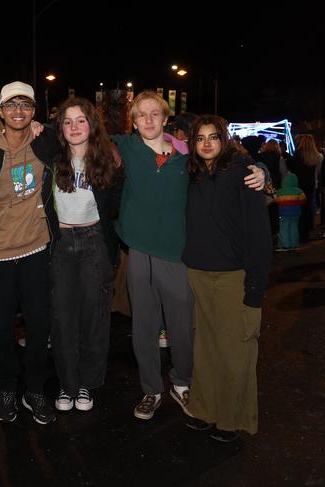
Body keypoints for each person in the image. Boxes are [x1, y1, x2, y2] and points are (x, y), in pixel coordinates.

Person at [111, 91, 265, 421]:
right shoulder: (125, 147)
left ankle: (182, 382)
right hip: (138, 253)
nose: (149, 120)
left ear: (166, 118)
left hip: (177, 255)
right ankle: (150, 389)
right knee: (144, 327)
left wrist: (261, 169)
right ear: (133, 120)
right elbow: (79, 138)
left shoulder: (186, 157)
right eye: (141, 115)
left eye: (155, 113)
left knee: (182, 328)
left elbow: (231, 161)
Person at [0, 81, 60, 424]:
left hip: (37, 248)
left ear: (34, 111)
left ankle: (34, 389)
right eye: (11, 105)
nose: (18, 112)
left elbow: (84, 139)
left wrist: (46, 127)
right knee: (3, 328)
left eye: (25, 105)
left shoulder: (45, 140)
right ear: (0, 111)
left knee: (39, 325)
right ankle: (7, 387)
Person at [183, 115, 272, 442]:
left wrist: (255, 289)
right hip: (199, 275)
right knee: (205, 349)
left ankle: (232, 419)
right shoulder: (191, 175)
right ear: (193, 144)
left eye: (213, 137)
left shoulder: (243, 173)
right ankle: (205, 410)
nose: (207, 143)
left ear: (224, 140)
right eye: (200, 138)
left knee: (235, 351)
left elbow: (260, 235)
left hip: (234, 276)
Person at [50, 97, 121, 412]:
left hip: (94, 241)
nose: (74, 127)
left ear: (92, 124)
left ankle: (87, 385)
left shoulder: (109, 160)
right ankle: (68, 385)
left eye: (80, 120)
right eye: (67, 121)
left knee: (94, 318)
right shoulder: (50, 158)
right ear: (60, 127)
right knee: (63, 319)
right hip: (61, 243)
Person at [274, 171, 307, 250]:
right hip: (296, 213)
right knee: (294, 228)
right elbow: (303, 200)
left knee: (284, 228)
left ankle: (285, 245)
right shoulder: (299, 191)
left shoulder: (280, 192)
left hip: (283, 213)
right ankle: (294, 244)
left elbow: (276, 200)